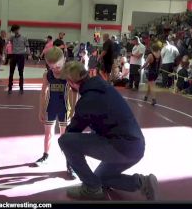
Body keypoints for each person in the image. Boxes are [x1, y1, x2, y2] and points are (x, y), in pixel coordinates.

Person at [58, 61, 158, 201]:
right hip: (136, 147)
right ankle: (142, 182)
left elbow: (72, 133)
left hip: (120, 146)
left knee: (65, 141)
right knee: (100, 178)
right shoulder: (103, 85)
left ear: (71, 82)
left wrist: (70, 159)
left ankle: (91, 189)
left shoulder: (87, 101)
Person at [36, 47, 77, 179]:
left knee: (65, 137)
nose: (55, 70)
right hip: (51, 108)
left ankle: (69, 163)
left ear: (64, 60)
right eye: (52, 67)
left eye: (57, 67)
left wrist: (74, 109)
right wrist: (41, 109)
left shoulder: (69, 74)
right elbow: (43, 92)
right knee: (48, 134)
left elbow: (74, 91)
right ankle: (45, 155)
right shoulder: (48, 75)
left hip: (65, 108)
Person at [8, 25, 29, 95]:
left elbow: (27, 47)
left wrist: (28, 54)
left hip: (21, 56)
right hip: (13, 56)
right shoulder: (11, 38)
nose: (15, 31)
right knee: (11, 73)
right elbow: (6, 40)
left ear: (18, 29)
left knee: (21, 73)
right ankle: (10, 88)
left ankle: (21, 88)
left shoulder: (24, 38)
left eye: (16, 30)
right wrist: (10, 32)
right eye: (14, 30)